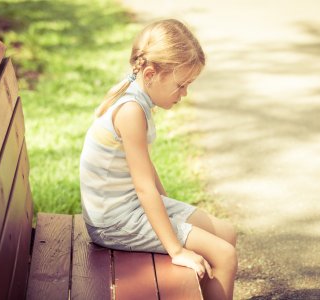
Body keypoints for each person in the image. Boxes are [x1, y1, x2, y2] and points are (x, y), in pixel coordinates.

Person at [79, 19, 237, 299]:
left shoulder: (136, 95)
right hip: (114, 222)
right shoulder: (131, 111)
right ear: (151, 74)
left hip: (128, 209)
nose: (184, 94)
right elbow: (143, 187)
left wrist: (169, 207)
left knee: (227, 234)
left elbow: (146, 170)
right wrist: (176, 250)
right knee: (224, 255)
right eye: (181, 85)